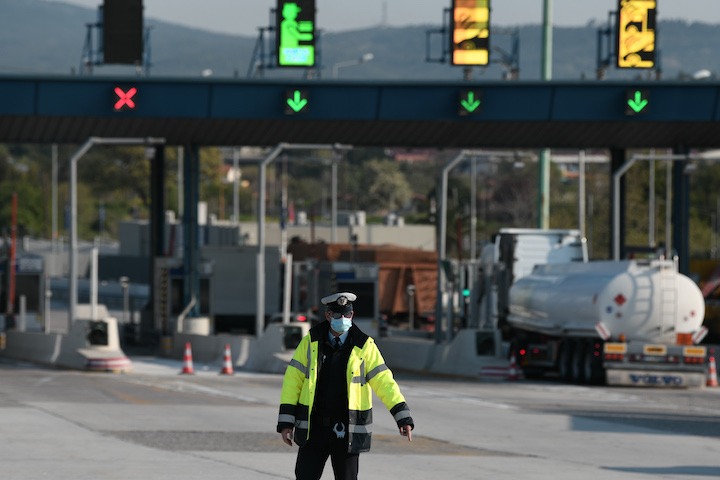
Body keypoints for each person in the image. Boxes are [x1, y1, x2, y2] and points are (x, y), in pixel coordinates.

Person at [277, 291, 414, 480]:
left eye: (347, 314)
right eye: (338, 315)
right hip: (314, 428)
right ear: (328, 315)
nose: (343, 319)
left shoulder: (364, 346)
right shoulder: (311, 342)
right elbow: (293, 381)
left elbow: (385, 382)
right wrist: (286, 423)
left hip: (347, 429)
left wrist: (402, 417)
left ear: (352, 315)